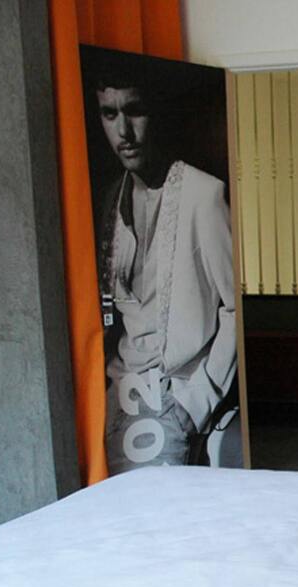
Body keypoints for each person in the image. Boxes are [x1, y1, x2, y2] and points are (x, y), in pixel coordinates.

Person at [92, 69, 237, 474]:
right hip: (118, 394)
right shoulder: (109, 200)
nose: (124, 132)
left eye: (134, 111)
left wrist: (198, 400)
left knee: (161, 509)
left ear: (156, 113)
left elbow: (236, 307)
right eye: (109, 114)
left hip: (175, 397)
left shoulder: (203, 195)